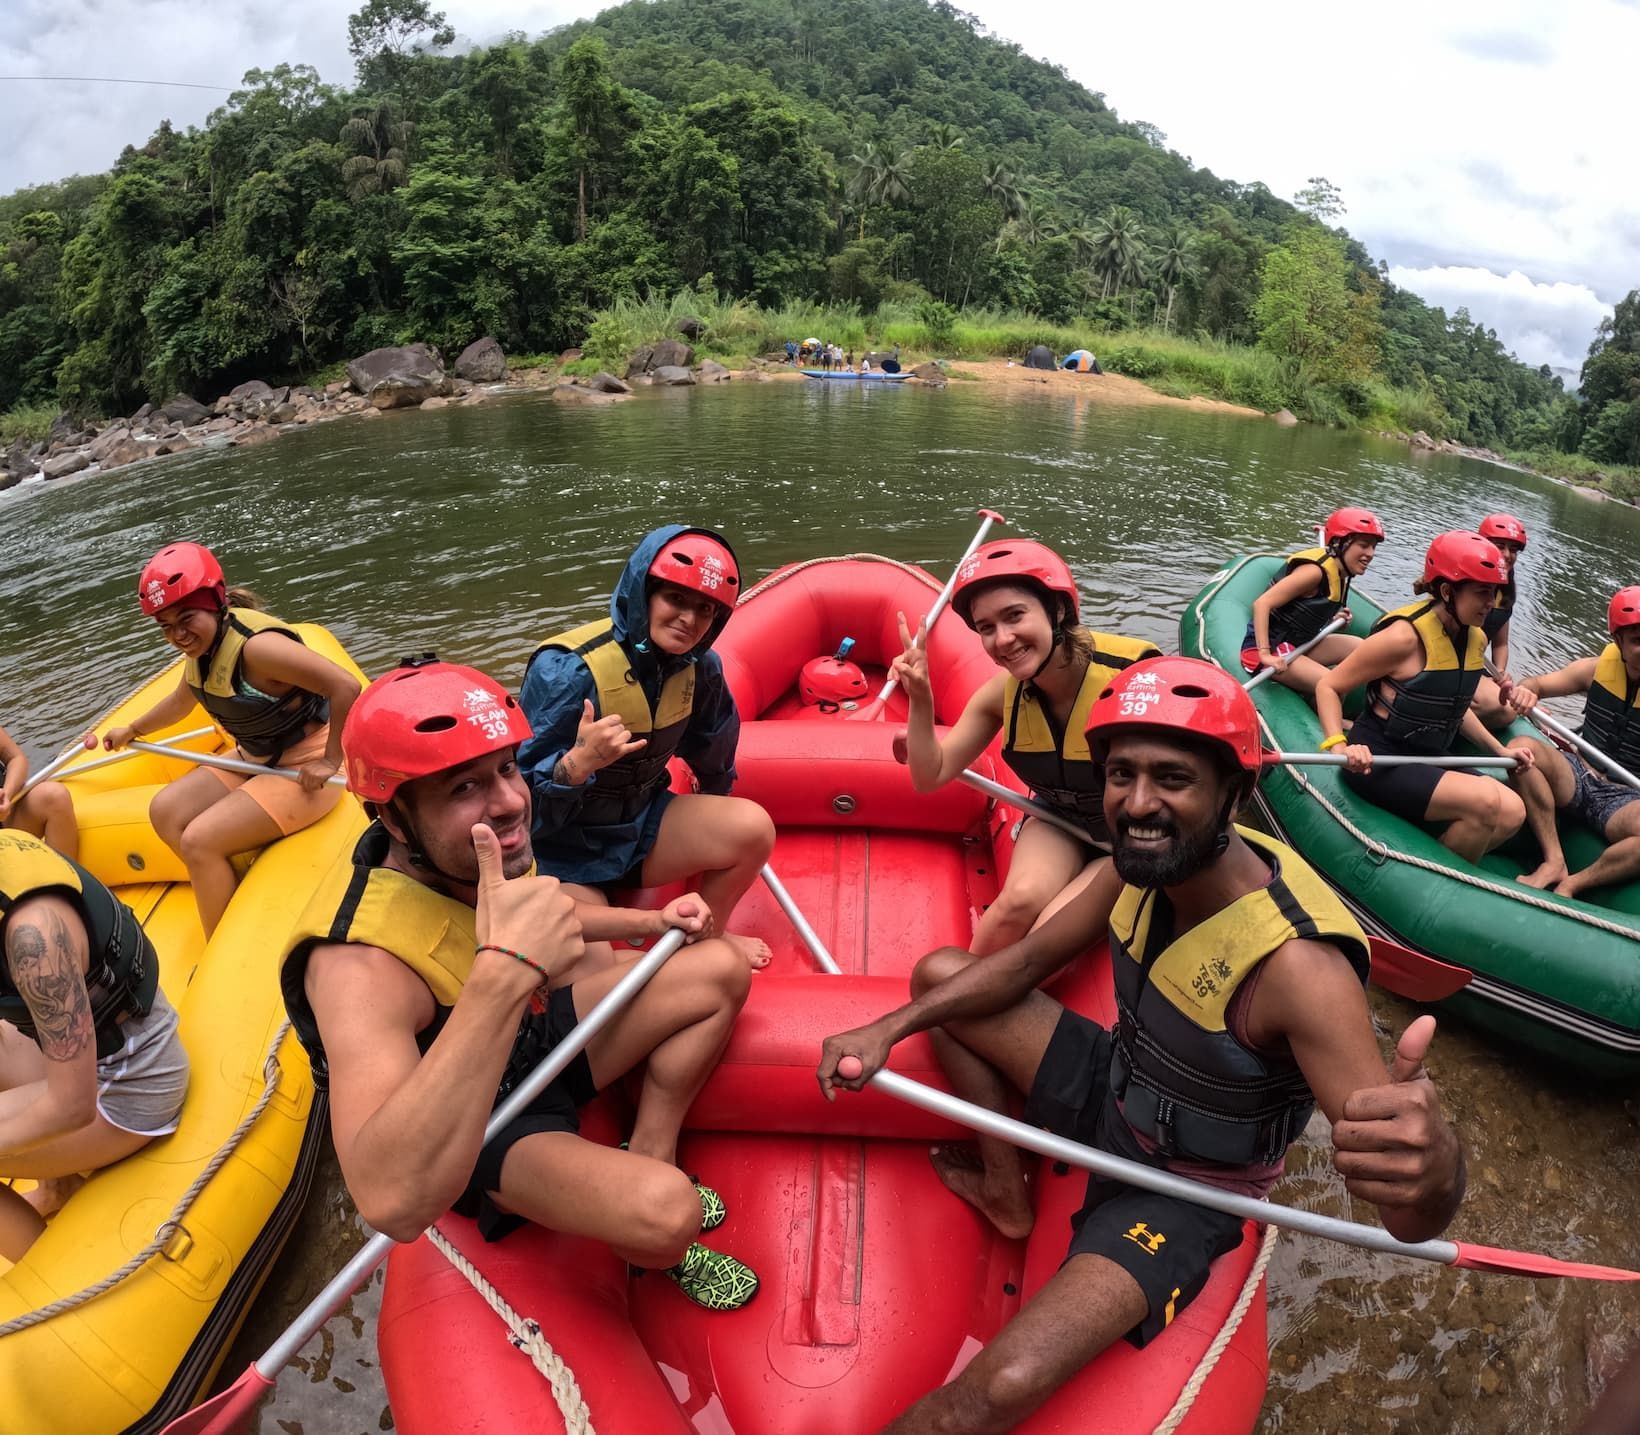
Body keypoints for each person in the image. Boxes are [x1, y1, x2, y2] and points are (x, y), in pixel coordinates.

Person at [816, 657, 1465, 1433]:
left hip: (1186, 1187)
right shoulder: (1135, 868)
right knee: (939, 976)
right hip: (1113, 1083)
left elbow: (1407, 1219)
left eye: (1172, 778)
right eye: (1120, 774)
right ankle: (1005, 1188)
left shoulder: (1300, 968)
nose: (1138, 802)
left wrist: (1439, 1165)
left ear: (1233, 791)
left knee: (991, 1391)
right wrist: (888, 1026)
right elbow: (1021, 963)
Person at [280, 658, 760, 1309]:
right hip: (486, 1121)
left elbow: (550, 906)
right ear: (394, 820)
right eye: (463, 789)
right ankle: (655, 1240)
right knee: (668, 1213)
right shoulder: (356, 965)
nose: (508, 802)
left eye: (507, 768)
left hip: (534, 1038)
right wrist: (503, 974)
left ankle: (651, 1144)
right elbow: (387, 1197)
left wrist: (651, 918)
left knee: (721, 967)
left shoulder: (478, 850)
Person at [518, 527, 774, 969]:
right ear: (644, 595)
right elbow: (518, 804)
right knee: (590, 971)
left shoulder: (701, 669)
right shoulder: (567, 671)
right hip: (563, 853)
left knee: (752, 828)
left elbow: (714, 749)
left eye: (704, 610)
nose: (689, 620)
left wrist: (712, 817)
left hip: (640, 831)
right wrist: (575, 766)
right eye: (675, 600)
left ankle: (707, 937)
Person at [892, 539, 1157, 955]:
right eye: (986, 628)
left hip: (1129, 839)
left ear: (1056, 611)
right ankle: (954, 998)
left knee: (1046, 938)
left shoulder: (1133, 680)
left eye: (1015, 616)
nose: (1003, 639)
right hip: (1059, 820)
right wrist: (920, 699)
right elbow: (930, 776)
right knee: (1015, 904)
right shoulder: (1001, 694)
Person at [99, 543, 362, 937]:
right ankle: (230, 884)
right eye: (166, 626)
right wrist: (133, 730)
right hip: (254, 756)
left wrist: (329, 760)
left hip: (304, 765)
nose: (178, 635)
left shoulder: (258, 650)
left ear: (215, 603)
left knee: (199, 840)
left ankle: (222, 941)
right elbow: (180, 702)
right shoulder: (205, 649)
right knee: (165, 812)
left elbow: (345, 686)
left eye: (186, 618)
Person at [0, 828, 189, 1258]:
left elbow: (72, 1105)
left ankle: (48, 1283)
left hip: (131, 1085)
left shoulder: (35, 939)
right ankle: (57, 1186)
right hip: (78, 1054)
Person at [1316, 531, 1537, 862]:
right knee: (1488, 801)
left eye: (1494, 593)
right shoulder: (1403, 638)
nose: (1490, 604)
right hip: (1379, 760)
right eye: (1482, 593)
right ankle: (1443, 878)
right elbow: (1329, 686)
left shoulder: (1474, 639)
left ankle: (1439, 865)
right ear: (1448, 591)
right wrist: (1339, 745)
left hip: (1430, 756)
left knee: (1514, 812)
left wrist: (1501, 750)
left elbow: (1455, 707)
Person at [1501, 586, 1640, 896]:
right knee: (1519, 750)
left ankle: (1573, 884)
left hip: (1625, 797)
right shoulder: (1595, 669)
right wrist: (1526, 692)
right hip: (1578, 774)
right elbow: (1535, 683)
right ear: (1618, 641)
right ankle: (1554, 860)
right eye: (1637, 642)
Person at [1242, 508, 1384, 695]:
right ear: (1339, 543)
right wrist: (1265, 654)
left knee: (1359, 647)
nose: (1370, 553)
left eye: (1373, 547)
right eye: (1364, 545)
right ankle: (1331, 718)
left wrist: (1333, 620)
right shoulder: (1313, 572)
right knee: (1334, 684)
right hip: (1271, 648)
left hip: (1298, 643)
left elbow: (1306, 609)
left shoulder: (1340, 572)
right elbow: (1262, 603)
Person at [1470, 514, 1529, 728]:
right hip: (1450, 662)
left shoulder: (1504, 593)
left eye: (1512, 550)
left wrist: (1500, 672)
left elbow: (1501, 642)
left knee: (1507, 706)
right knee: (1501, 708)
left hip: (1474, 664)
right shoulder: (1464, 584)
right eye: (1500, 546)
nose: (1507, 555)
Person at [0, 725, 77, 860]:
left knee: (54, 796)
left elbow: (16, 758)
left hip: (6, 819)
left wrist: (7, 794)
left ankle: (65, 878)